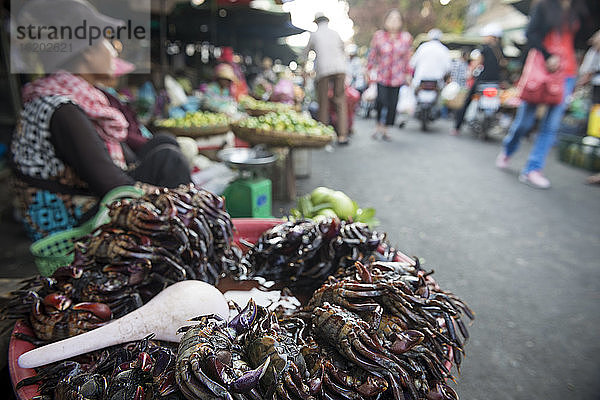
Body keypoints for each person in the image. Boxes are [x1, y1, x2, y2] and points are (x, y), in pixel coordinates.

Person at [10, 0, 191, 241]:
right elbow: (115, 187)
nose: (115, 49)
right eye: (107, 41)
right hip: (72, 227)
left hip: (85, 200)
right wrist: (170, 197)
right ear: (85, 51)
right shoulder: (62, 110)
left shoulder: (70, 97)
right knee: (170, 161)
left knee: (164, 149)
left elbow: (125, 161)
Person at [496, 0, 585, 189]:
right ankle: (508, 149)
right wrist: (547, 55)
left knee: (551, 125)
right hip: (543, 69)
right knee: (524, 123)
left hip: (566, 73)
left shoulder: (579, 10)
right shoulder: (545, 6)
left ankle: (533, 169)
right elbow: (531, 34)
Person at [366, 9, 413, 141]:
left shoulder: (406, 38)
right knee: (381, 102)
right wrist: (368, 70)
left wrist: (408, 74)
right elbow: (372, 55)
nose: (393, 21)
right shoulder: (379, 36)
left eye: (396, 19)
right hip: (382, 76)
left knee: (392, 104)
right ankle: (378, 126)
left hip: (397, 78)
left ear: (401, 22)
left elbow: (407, 59)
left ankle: (386, 129)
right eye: (391, 18)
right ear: (385, 21)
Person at [452, 23, 505, 136]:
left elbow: (477, 64)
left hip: (483, 81)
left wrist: (470, 74)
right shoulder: (501, 50)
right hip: (495, 83)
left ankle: (457, 127)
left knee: (467, 101)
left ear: (492, 36)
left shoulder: (484, 49)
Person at [304, 12, 349, 145]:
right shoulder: (335, 33)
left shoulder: (314, 34)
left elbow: (305, 54)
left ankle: (323, 135)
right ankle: (342, 135)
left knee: (323, 102)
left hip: (323, 69)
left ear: (316, 22)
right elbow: (343, 49)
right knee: (340, 101)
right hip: (340, 68)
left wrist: (304, 68)